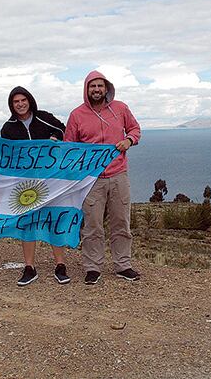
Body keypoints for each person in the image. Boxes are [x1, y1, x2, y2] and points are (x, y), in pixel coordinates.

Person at [63, 71, 141, 284]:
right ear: (86, 89)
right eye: (92, 86)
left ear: (106, 88)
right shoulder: (77, 115)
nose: (96, 90)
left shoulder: (121, 108)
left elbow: (135, 129)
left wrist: (129, 140)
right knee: (93, 225)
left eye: (100, 86)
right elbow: (70, 145)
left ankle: (123, 265)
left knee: (121, 222)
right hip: (91, 179)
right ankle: (92, 267)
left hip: (118, 174)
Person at [0, 86, 70, 286]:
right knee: (29, 223)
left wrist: (55, 141)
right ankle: (29, 267)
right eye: (16, 102)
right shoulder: (8, 127)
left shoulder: (44, 117)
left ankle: (60, 265)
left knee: (53, 220)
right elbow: (7, 156)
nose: (20, 104)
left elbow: (64, 132)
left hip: (51, 180)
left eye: (23, 100)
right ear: (11, 105)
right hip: (26, 183)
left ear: (29, 100)